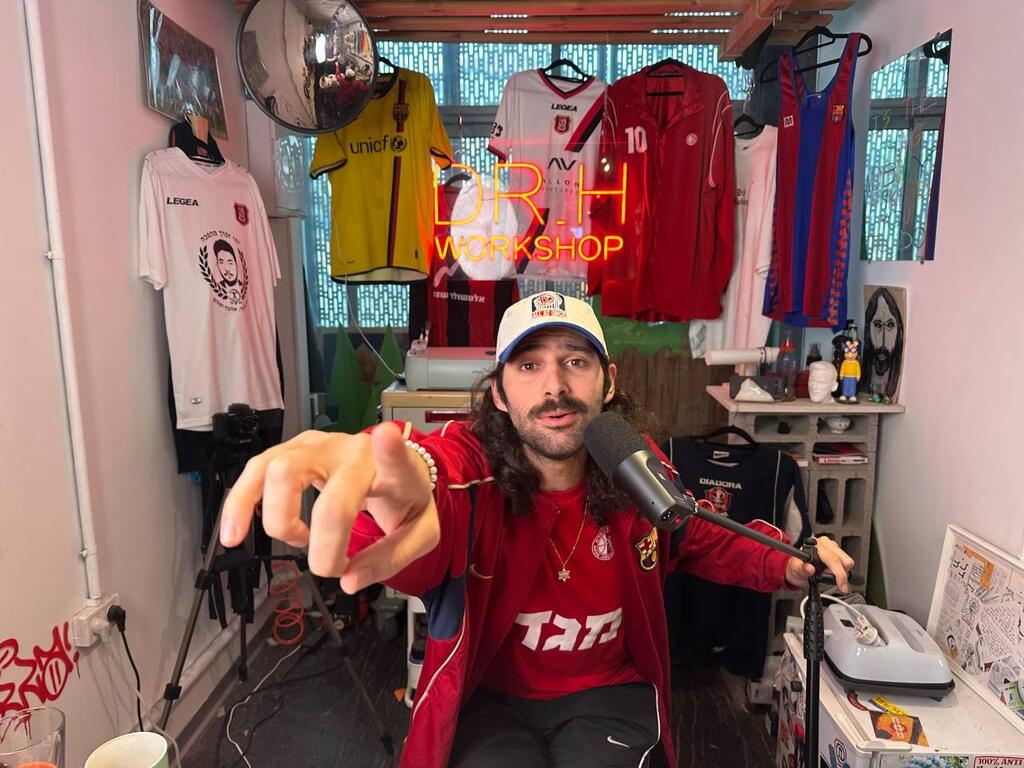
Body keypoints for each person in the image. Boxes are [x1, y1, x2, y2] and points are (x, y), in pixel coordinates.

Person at [220, 291, 855, 768]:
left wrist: (788, 560)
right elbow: (431, 481)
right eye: (528, 366)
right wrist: (397, 483)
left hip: (611, 696)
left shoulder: (638, 467)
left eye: (576, 361)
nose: (555, 387)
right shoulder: (474, 470)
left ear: (608, 382)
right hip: (490, 701)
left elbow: (696, 534)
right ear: (498, 393)